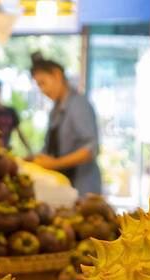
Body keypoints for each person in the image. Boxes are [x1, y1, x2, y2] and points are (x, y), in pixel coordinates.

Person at [29, 53, 102, 196]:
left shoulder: (78, 104)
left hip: (83, 188)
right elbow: (50, 148)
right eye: (38, 86)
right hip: (65, 186)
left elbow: (90, 149)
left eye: (43, 83)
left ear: (57, 75)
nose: (42, 90)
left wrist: (56, 164)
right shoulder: (55, 110)